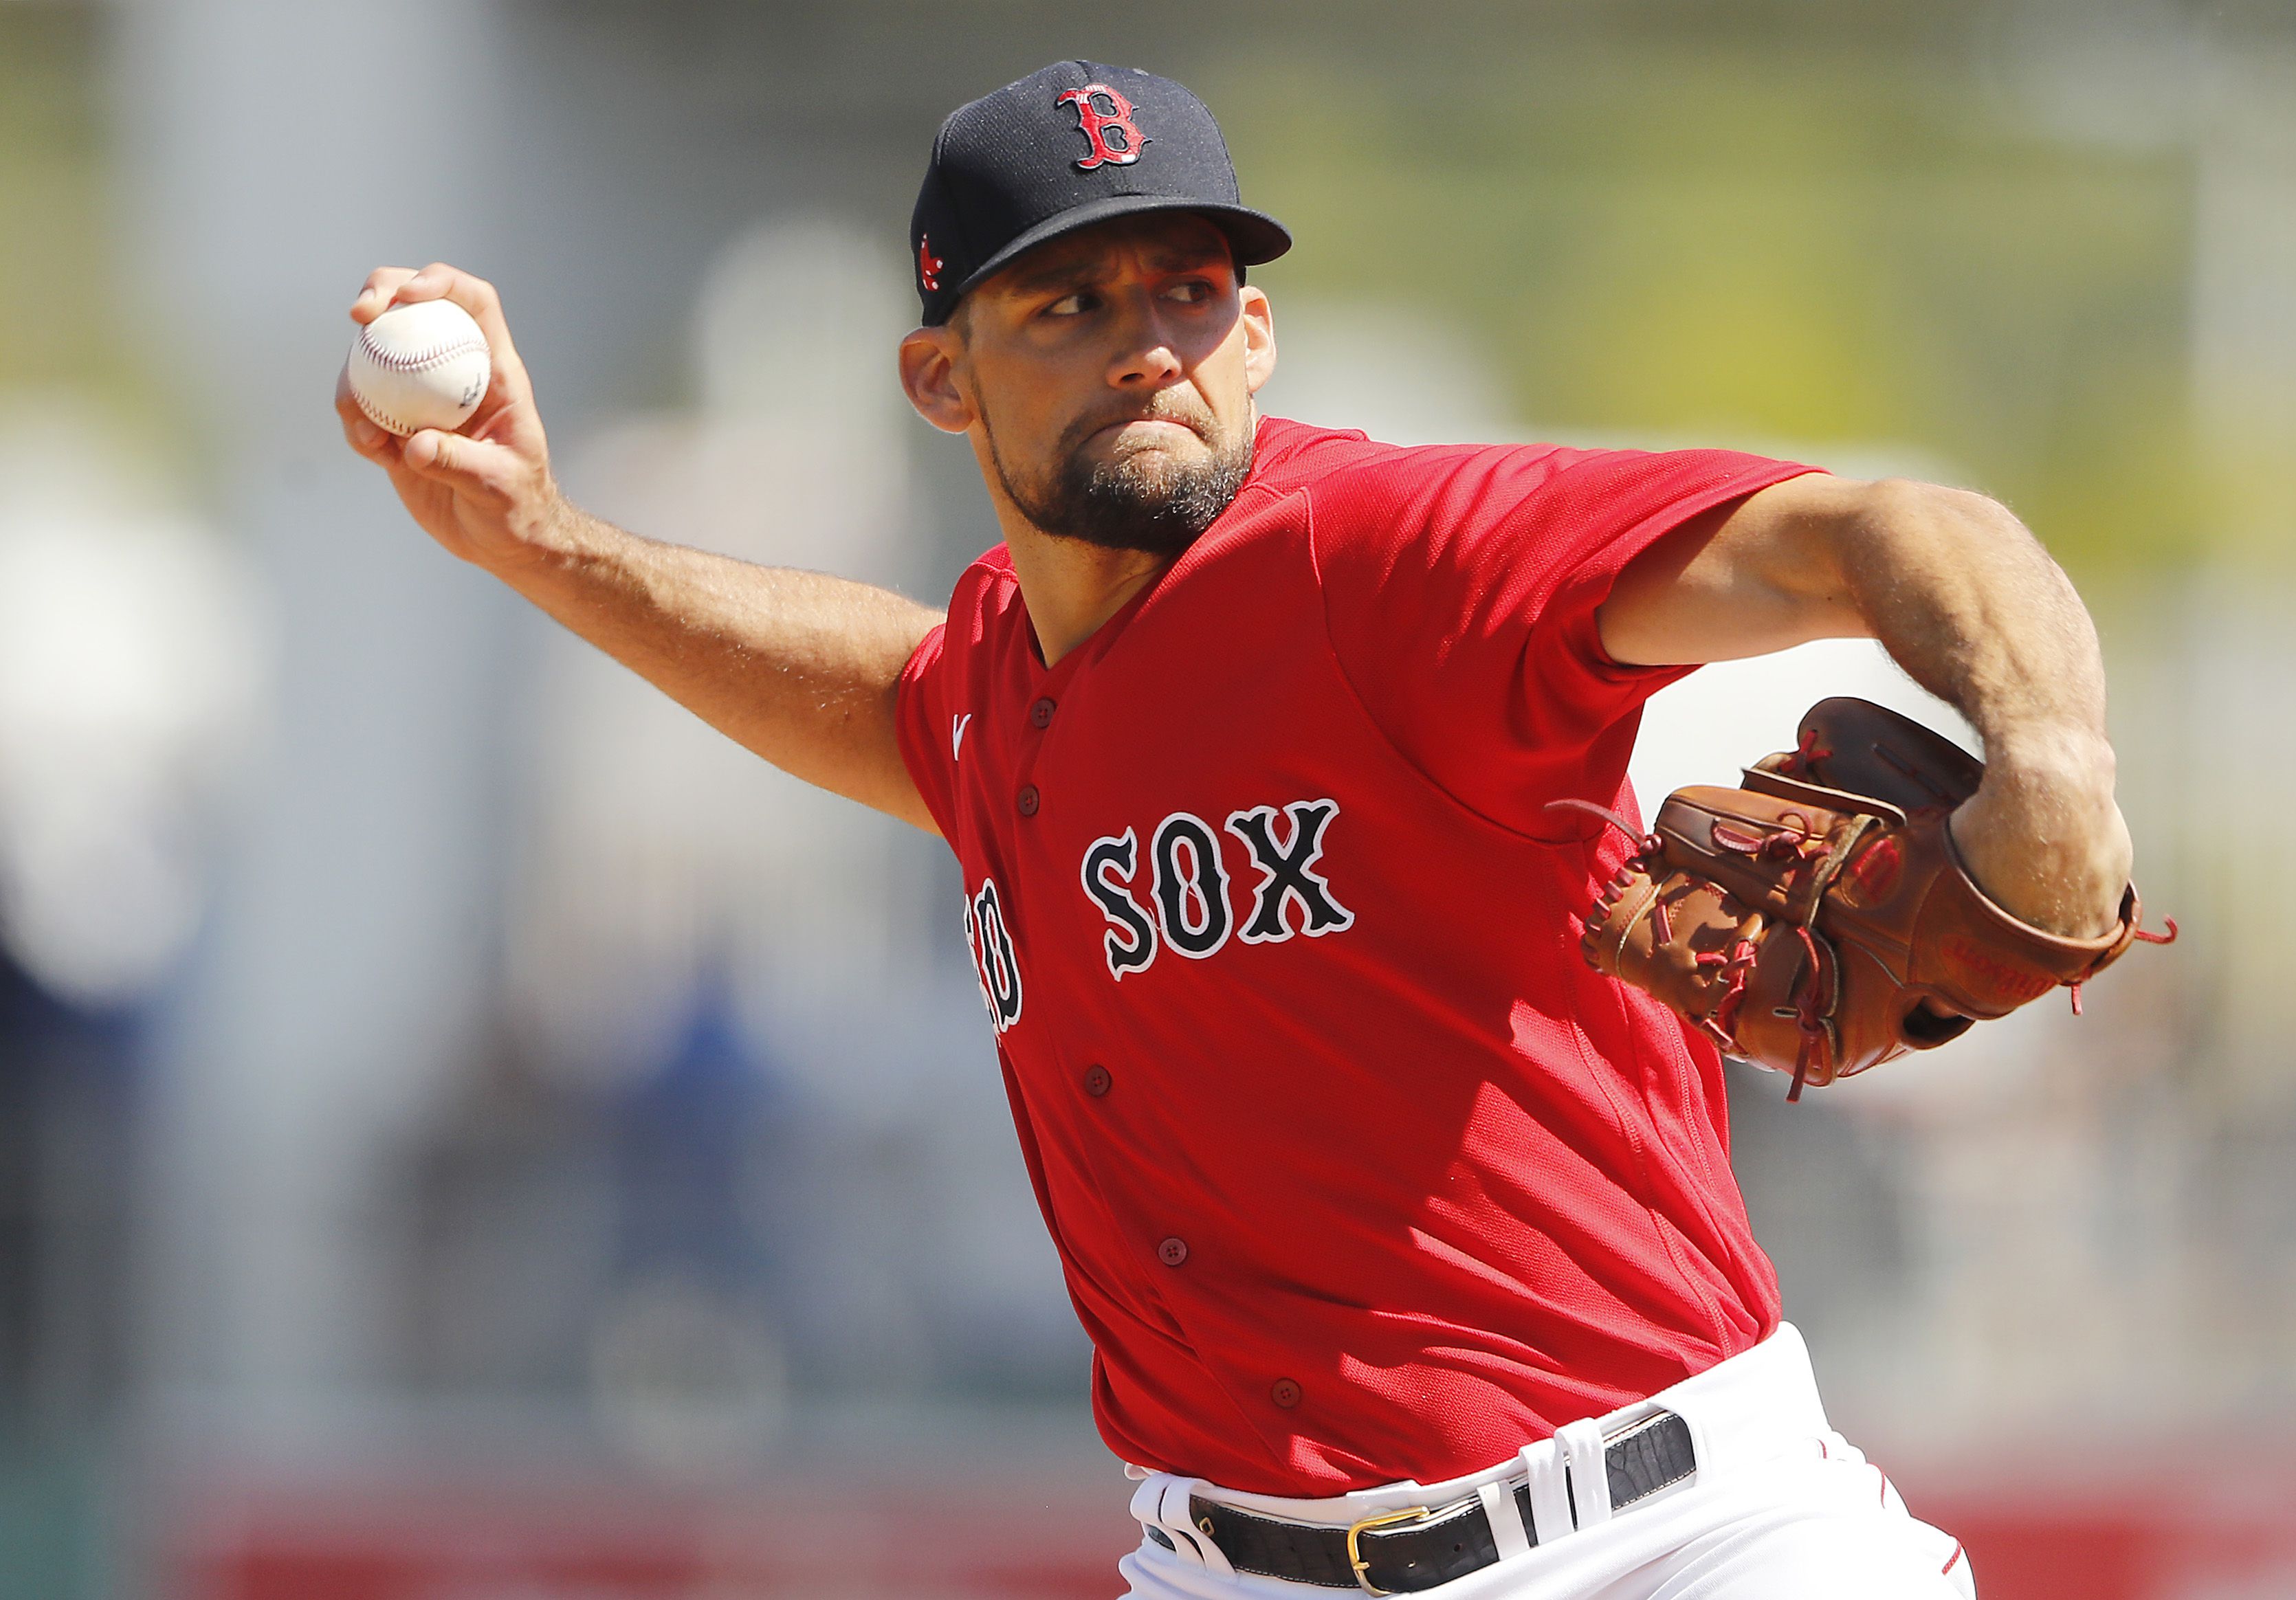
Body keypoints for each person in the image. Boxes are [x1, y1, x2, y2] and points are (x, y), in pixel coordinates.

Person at [337, 58, 2131, 1600]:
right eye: (1066, 307)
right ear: (941, 380)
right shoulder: (990, 692)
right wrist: (543, 546)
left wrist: (2048, 766)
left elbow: (1884, 534)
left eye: (1185, 293)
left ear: (1254, 332)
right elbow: (881, 693)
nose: (1144, 350)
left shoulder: (1395, 564)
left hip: (1672, 1539)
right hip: (1221, 1552)